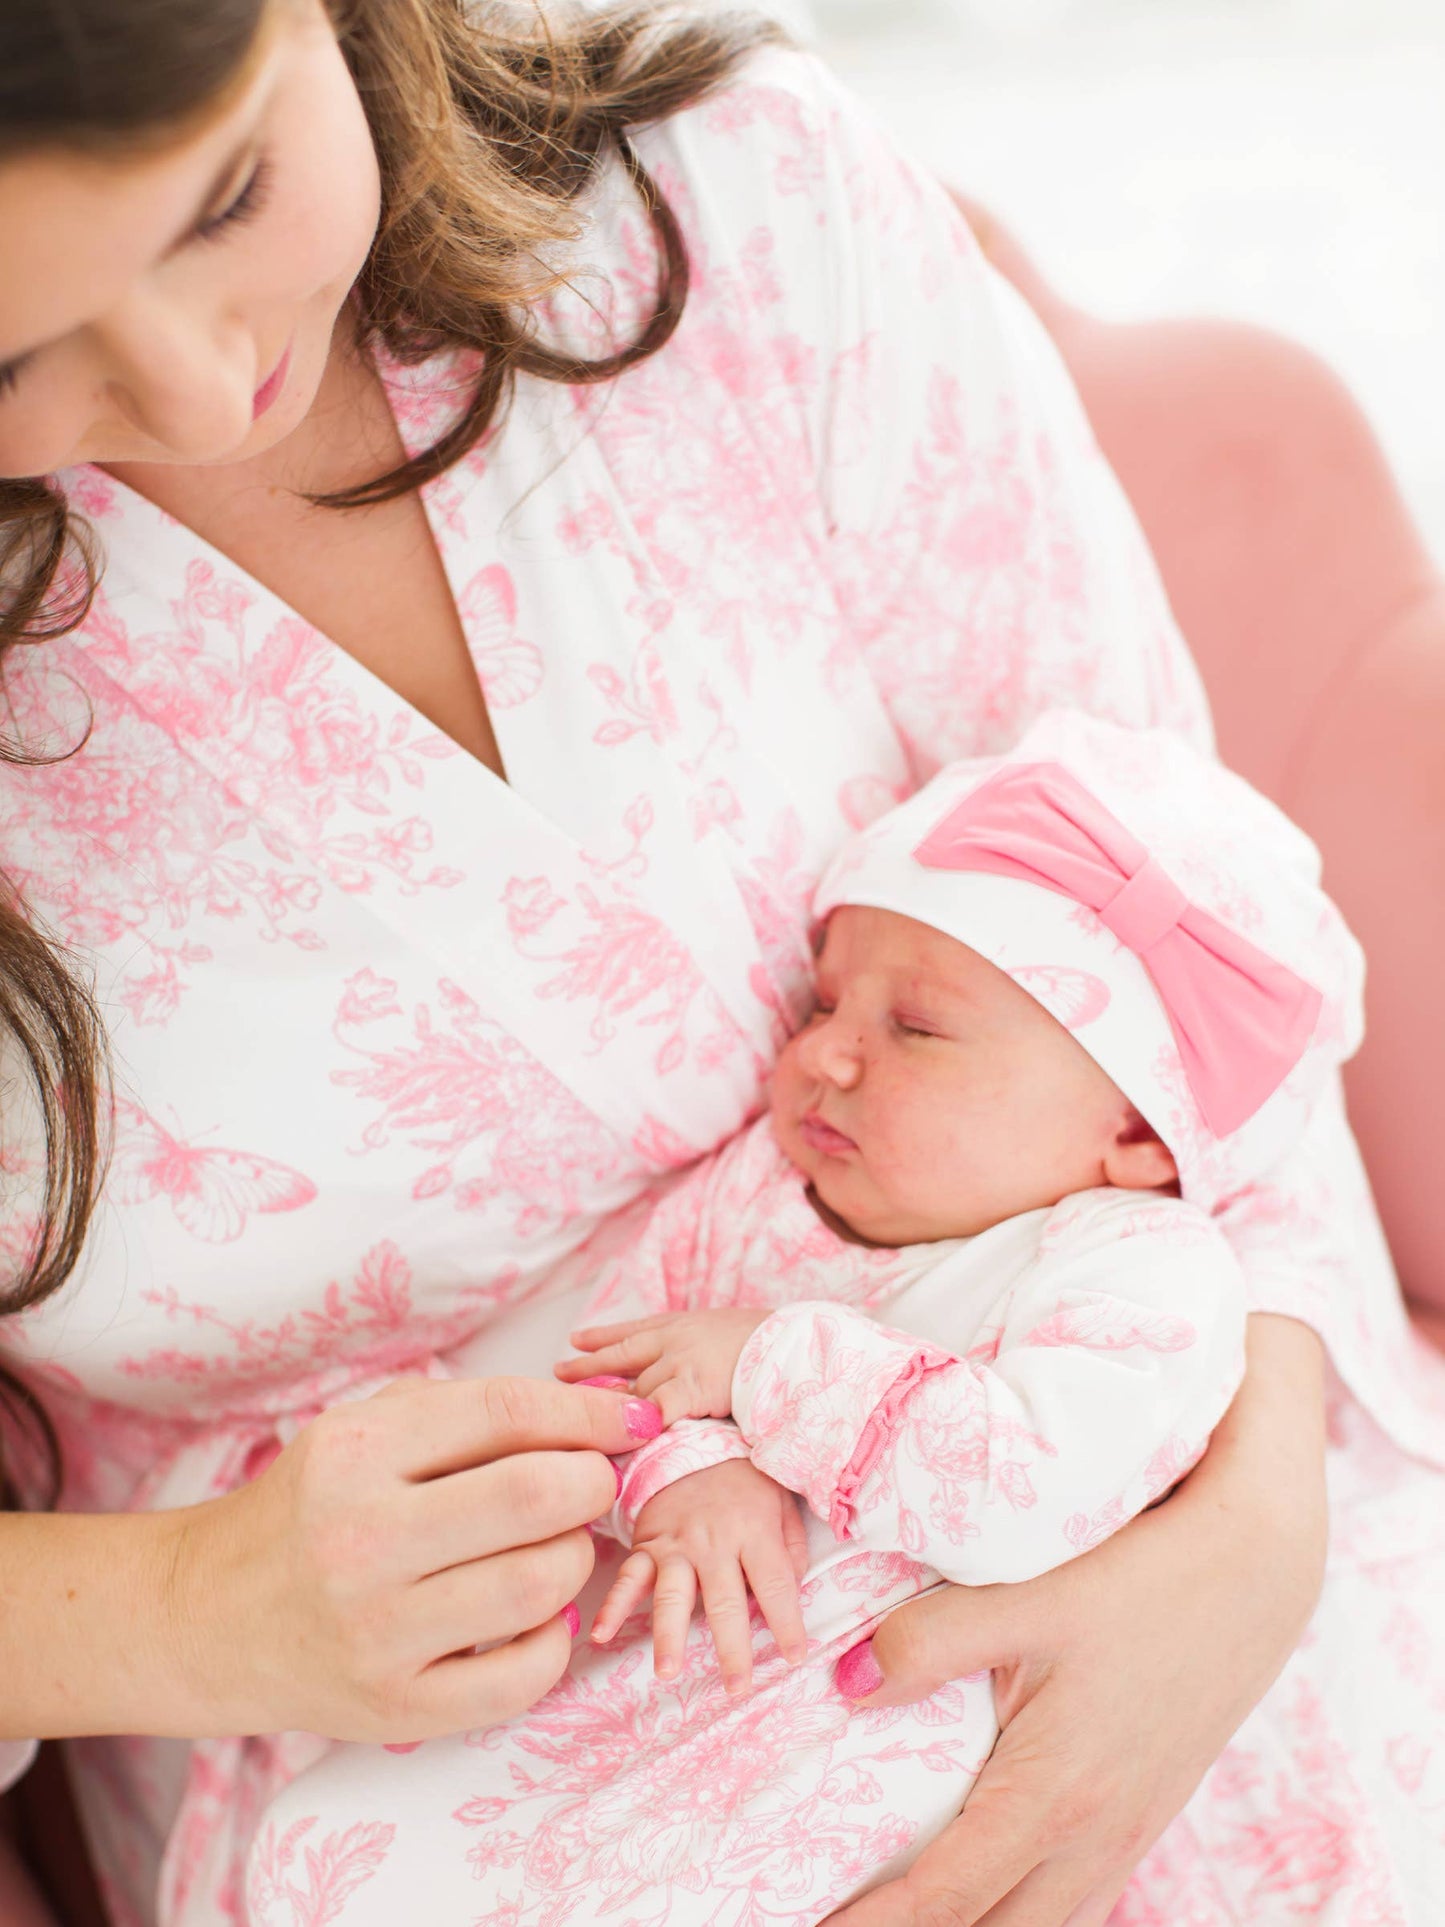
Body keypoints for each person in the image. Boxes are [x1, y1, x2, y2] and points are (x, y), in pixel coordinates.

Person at [0, 4, 1441, 1925]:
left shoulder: (731, 204)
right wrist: (172, 1616)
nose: (201, 384)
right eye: (15, 347)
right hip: (419, 1781)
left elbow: (1188, 939)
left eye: (231, 195)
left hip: (1148, 1507)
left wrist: (1247, 1535)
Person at [246, 710, 1362, 1924]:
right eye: (821, 1009)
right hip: (672, 1696)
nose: (826, 1057)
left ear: (1138, 1134)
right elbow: (608, 1372)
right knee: (350, 1856)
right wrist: (689, 1464)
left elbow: (1016, 1488)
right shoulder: (756, 1195)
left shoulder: (1143, 1270)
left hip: (899, 1722)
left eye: (915, 1028)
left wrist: (762, 1365)